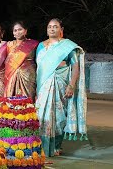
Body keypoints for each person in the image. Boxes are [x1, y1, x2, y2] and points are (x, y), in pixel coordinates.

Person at [35, 18, 87, 157]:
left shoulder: (67, 46)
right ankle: (41, 146)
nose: (52, 29)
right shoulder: (40, 46)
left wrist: (71, 85)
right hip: (43, 85)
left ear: (61, 30)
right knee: (41, 115)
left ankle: (56, 146)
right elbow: (39, 68)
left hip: (60, 83)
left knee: (58, 117)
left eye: (55, 26)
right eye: (49, 27)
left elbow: (75, 67)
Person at [4, 21, 38, 99]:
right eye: (15, 30)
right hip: (12, 76)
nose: (17, 32)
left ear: (25, 31)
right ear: (13, 33)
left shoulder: (33, 44)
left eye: (20, 29)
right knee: (11, 102)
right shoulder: (9, 45)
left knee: (27, 102)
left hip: (28, 77)